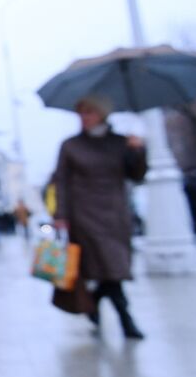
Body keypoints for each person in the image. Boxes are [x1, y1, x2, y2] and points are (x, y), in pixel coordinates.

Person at [53, 94, 148, 339]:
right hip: (84, 215)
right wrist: (60, 214)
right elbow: (60, 181)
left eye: (89, 112)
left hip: (115, 214)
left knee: (112, 267)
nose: (84, 117)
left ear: (102, 114)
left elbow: (137, 175)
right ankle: (126, 320)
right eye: (81, 113)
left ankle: (93, 303)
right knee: (109, 267)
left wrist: (138, 151)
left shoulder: (120, 143)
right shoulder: (71, 146)